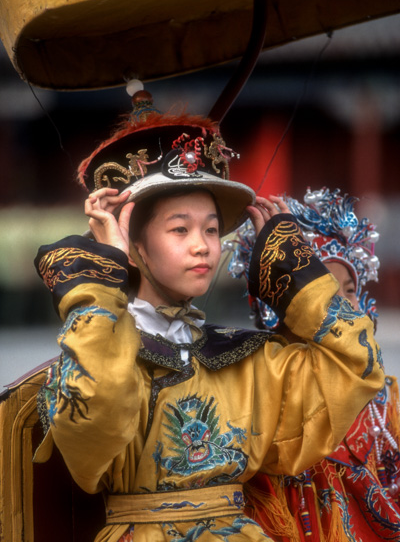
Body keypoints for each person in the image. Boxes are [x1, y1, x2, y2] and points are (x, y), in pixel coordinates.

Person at [33, 86, 384, 542]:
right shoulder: (93, 348)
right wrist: (103, 279)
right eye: (180, 229)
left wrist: (289, 267)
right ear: (133, 246)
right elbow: (93, 431)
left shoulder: (246, 359)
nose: (203, 246)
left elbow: (358, 366)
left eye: (212, 230)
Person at [228, 187, 400, 541]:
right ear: (280, 302)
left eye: (349, 289)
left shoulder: (387, 404)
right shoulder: (254, 386)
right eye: (322, 289)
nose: (341, 305)